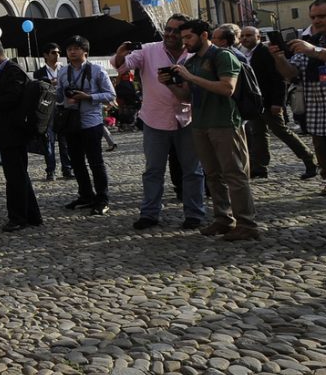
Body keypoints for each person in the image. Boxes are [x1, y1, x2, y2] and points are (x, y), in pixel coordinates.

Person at [113, 13, 207, 231]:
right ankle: (149, 214)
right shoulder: (148, 50)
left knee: (192, 170)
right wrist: (120, 55)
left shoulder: (193, 54)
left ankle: (194, 214)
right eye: (168, 29)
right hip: (155, 119)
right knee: (153, 171)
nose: (170, 34)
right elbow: (123, 66)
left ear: (185, 33)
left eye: (176, 30)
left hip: (187, 119)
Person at [170, 19, 259, 241]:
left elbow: (227, 88)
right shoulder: (191, 62)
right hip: (200, 124)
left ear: (204, 35)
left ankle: (247, 223)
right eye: (183, 38)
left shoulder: (223, 56)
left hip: (224, 123)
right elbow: (186, 96)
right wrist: (170, 84)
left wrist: (190, 78)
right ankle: (223, 219)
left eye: (188, 37)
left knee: (234, 174)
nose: (185, 42)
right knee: (212, 175)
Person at [270, 0, 326, 197]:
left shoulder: (313, 47)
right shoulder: (312, 42)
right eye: (313, 17)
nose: (316, 21)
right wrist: (279, 57)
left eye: (322, 16)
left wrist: (315, 51)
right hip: (321, 116)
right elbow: (290, 73)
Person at [240, 25, 318, 180]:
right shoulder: (245, 54)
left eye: (249, 35)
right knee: (258, 134)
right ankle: (260, 167)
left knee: (282, 132)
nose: (244, 38)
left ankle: (309, 159)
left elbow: (279, 78)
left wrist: (278, 102)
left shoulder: (266, 52)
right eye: (242, 36)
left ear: (258, 37)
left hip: (269, 101)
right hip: (255, 103)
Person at [0, 42, 41, 232]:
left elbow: (12, 98)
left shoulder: (12, 71)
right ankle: (32, 215)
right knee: (19, 175)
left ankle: (18, 217)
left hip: (13, 133)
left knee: (15, 177)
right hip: (8, 133)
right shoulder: (7, 71)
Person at [55, 35, 116, 215]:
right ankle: (86, 195)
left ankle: (102, 199)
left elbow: (110, 95)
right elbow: (59, 96)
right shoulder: (63, 72)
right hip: (70, 122)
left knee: (96, 163)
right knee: (77, 162)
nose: (72, 52)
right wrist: (56, 93)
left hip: (91, 122)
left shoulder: (97, 70)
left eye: (76, 48)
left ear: (85, 52)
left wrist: (89, 96)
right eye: (69, 49)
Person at [33, 44, 74, 181]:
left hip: (63, 108)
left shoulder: (66, 70)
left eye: (58, 52)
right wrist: (50, 83)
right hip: (47, 110)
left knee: (65, 141)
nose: (56, 55)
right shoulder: (39, 73)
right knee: (48, 141)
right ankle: (51, 170)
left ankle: (67, 169)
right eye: (53, 52)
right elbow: (37, 90)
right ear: (45, 55)